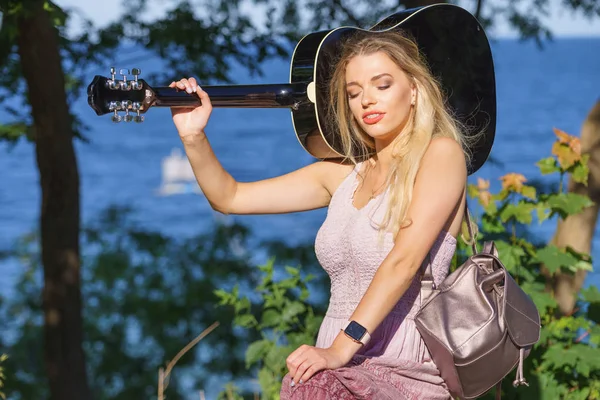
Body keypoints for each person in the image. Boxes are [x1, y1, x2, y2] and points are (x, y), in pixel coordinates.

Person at [170, 30, 479, 399]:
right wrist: (193, 136)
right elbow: (231, 197)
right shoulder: (342, 174)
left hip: (401, 359)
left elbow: (404, 261)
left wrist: (341, 347)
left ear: (413, 90)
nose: (367, 100)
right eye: (353, 92)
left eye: (382, 85)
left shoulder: (440, 155)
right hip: (333, 359)